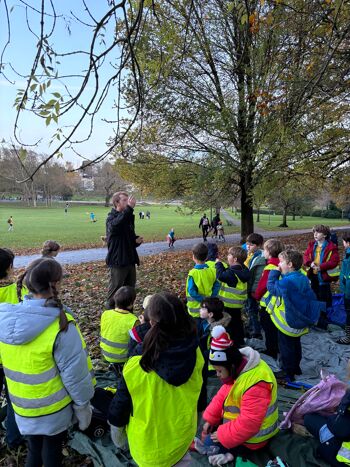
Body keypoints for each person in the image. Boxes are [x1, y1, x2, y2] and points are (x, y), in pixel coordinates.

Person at [0, 258, 95, 467]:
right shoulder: (61, 326)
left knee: (34, 450)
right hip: (53, 411)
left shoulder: (4, 321)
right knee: (52, 451)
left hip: (22, 407)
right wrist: (83, 407)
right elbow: (75, 375)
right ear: (57, 283)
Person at [107, 292, 204, 467]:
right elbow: (201, 392)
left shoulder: (136, 365)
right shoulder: (195, 353)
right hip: (182, 435)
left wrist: (118, 438)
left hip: (148, 448)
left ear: (151, 323)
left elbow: (120, 405)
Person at [197, 326, 278, 465]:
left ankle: (232, 454)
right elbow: (223, 394)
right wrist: (210, 418)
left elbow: (249, 424)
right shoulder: (240, 366)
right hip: (243, 429)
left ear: (231, 366)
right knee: (210, 434)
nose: (217, 375)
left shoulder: (256, 383)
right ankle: (226, 449)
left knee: (211, 442)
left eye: (219, 371)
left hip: (256, 438)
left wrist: (222, 435)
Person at [267, 250, 324, 382]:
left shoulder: (287, 282)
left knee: (285, 348)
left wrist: (274, 273)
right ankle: (296, 367)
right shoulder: (302, 278)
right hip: (298, 320)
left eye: (281, 262)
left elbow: (272, 288)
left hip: (287, 323)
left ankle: (288, 373)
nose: (279, 264)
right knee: (296, 345)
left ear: (290, 264)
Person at [0, 248, 26, 449]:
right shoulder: (18, 291)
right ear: (9, 268)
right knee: (13, 399)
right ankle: (14, 438)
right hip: (11, 357)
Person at [304, 364, 350, 466]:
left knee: (309, 419)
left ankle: (329, 448)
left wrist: (333, 417)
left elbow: (340, 430)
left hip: (343, 453)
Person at [105, 192, 144, 309]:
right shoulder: (111, 218)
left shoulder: (127, 217)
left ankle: (128, 318)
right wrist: (129, 209)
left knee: (130, 293)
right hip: (118, 262)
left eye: (128, 200)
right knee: (115, 292)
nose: (128, 203)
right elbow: (116, 226)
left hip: (129, 260)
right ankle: (109, 316)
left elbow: (128, 239)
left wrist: (135, 241)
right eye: (124, 200)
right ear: (117, 202)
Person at [253, 239, 284, 359]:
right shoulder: (281, 263)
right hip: (278, 302)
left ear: (269, 252)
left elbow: (262, 286)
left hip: (268, 304)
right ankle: (277, 347)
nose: (263, 252)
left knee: (268, 328)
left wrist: (256, 295)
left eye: (264, 250)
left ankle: (271, 350)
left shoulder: (270, 267)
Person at [100, 286, 139, 374]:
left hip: (105, 354)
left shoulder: (105, 314)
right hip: (123, 358)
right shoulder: (133, 320)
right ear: (131, 304)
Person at [216, 246, 250, 347]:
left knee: (229, 324)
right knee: (237, 322)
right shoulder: (244, 269)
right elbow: (229, 271)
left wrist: (218, 264)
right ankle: (240, 340)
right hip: (238, 303)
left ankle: (232, 342)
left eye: (229, 255)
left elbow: (220, 276)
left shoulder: (231, 274)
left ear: (235, 259)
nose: (227, 256)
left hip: (229, 304)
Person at [303, 225, 340, 312]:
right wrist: (310, 263)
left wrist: (321, 267)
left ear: (325, 235)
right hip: (313, 274)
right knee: (314, 292)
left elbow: (334, 261)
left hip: (324, 275)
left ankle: (325, 313)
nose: (315, 234)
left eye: (318, 232)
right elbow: (305, 256)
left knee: (324, 294)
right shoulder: (312, 245)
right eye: (314, 232)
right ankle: (316, 311)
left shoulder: (331, 247)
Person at [186, 243, 220, 321]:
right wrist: (211, 297)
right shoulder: (212, 271)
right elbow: (217, 285)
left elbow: (191, 291)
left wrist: (203, 300)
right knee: (207, 327)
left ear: (193, 257)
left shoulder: (193, 273)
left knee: (198, 329)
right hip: (208, 309)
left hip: (196, 310)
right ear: (207, 257)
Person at [245, 233, 266, 339]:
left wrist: (254, 291)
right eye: (247, 244)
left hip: (253, 289)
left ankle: (256, 331)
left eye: (251, 245)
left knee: (252, 310)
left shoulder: (260, 259)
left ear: (259, 245)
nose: (248, 246)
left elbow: (258, 278)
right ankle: (251, 326)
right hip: (248, 287)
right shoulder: (250, 255)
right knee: (249, 309)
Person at [337, 232, 350, 344]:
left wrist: (346, 292)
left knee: (349, 313)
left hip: (349, 292)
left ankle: (348, 337)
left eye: (344, 242)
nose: (343, 244)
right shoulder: (347, 254)